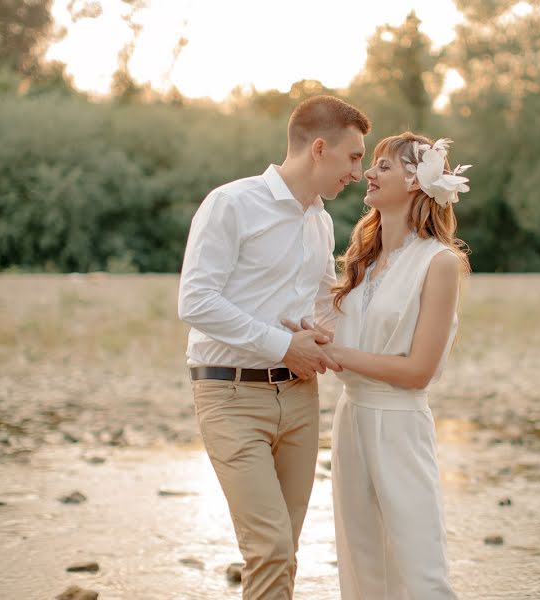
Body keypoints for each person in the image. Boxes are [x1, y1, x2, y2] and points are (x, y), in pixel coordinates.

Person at [177, 95, 370, 600]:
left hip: (302, 399)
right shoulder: (232, 204)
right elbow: (196, 301)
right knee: (270, 548)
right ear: (320, 148)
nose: (358, 171)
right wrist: (283, 344)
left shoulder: (320, 220)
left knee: (287, 548)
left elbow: (322, 304)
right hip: (231, 397)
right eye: (354, 157)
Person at [285, 132, 471, 599]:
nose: (367, 172)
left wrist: (335, 356)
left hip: (400, 422)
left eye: (383, 166)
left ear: (416, 182)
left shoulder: (439, 262)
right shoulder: (360, 265)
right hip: (352, 419)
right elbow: (318, 320)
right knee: (362, 563)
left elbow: (419, 371)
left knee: (417, 563)